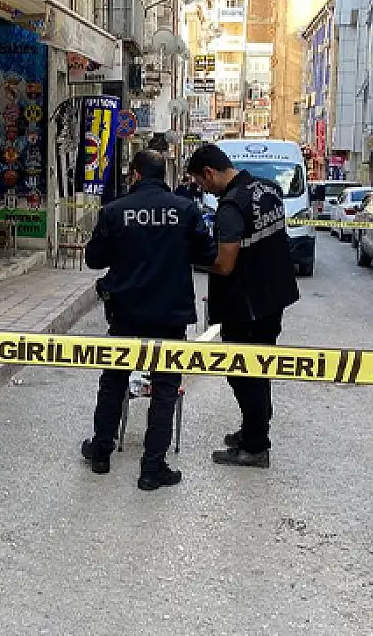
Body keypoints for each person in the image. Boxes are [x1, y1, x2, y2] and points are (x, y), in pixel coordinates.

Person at [82, 150, 217, 490]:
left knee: (114, 380)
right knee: (165, 387)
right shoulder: (186, 210)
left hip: (125, 312)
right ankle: (152, 468)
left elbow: (94, 259)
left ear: (136, 174)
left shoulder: (115, 211)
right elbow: (207, 254)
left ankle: (101, 452)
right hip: (170, 313)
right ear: (162, 174)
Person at [186, 143, 300, 468]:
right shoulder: (269, 189)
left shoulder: (231, 206)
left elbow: (225, 265)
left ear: (209, 173)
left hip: (246, 304)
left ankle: (255, 446)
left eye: (200, 182)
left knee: (243, 372)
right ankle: (254, 429)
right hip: (273, 296)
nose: (202, 189)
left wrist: (192, 259)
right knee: (260, 368)